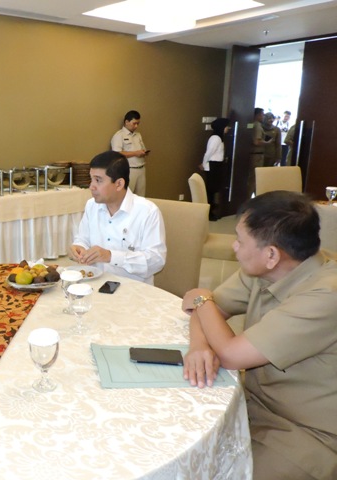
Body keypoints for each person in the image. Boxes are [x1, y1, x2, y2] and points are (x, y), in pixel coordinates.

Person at [181, 191, 337, 480]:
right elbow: (204, 311)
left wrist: (203, 300)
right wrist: (199, 345)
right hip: (248, 402)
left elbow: (229, 353)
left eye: (240, 240)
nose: (234, 246)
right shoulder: (266, 270)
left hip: (306, 432)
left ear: (271, 254)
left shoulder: (326, 294)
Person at [68, 151, 166, 284]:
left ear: (119, 184)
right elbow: (83, 239)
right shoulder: (92, 205)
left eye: (98, 180)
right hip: (96, 284)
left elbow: (156, 260)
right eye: (91, 179)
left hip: (133, 290)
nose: (91, 186)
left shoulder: (147, 212)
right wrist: (79, 247)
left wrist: (111, 256)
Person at [110, 110, 150, 196]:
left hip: (141, 168)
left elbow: (142, 148)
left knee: (141, 197)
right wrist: (136, 153)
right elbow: (117, 154)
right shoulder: (119, 135)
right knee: (127, 196)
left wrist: (143, 152)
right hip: (129, 169)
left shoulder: (138, 135)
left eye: (138, 123)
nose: (136, 126)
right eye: (134, 123)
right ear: (126, 122)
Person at [199, 117, 230, 221]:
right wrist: (203, 164)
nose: (228, 128)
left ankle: (212, 210)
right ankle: (209, 213)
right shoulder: (215, 138)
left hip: (216, 165)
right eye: (226, 126)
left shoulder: (219, 137)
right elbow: (208, 153)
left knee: (213, 189)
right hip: (212, 165)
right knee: (210, 190)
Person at [248, 108, 272, 195]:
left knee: (252, 178)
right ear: (257, 115)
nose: (263, 116)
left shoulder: (251, 124)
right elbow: (256, 141)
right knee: (254, 178)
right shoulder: (257, 126)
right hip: (257, 155)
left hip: (252, 154)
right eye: (262, 114)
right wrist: (267, 142)